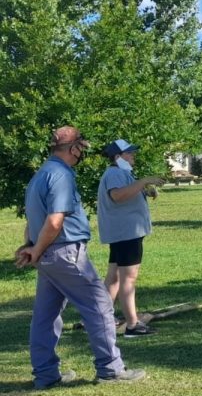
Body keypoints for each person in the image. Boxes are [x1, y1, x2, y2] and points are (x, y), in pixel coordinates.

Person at [14, 126, 145, 388]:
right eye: (81, 148)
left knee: (45, 316)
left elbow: (33, 219)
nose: (82, 153)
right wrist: (35, 249)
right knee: (100, 305)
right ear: (73, 148)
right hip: (65, 253)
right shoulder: (61, 175)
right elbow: (55, 221)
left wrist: (31, 246)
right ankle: (110, 370)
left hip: (47, 256)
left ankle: (45, 375)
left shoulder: (40, 174)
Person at [97, 139, 165, 338]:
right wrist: (144, 181)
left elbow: (126, 192)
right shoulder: (115, 173)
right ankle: (132, 326)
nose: (133, 155)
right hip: (127, 233)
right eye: (129, 153)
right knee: (129, 278)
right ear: (118, 157)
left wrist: (144, 190)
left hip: (122, 233)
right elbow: (117, 195)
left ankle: (100, 318)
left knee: (114, 277)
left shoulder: (120, 173)